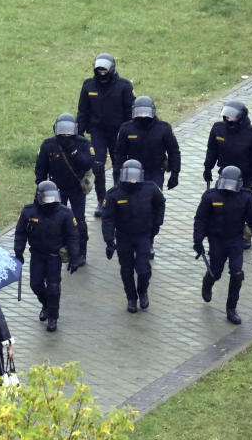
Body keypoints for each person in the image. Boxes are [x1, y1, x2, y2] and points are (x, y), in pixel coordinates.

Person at [193, 165, 252, 325]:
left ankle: (231, 309)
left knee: (237, 273)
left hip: (235, 239)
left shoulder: (246, 197)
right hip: (216, 239)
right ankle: (208, 281)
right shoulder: (210, 196)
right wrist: (198, 240)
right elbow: (200, 219)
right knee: (216, 272)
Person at [115, 95, 180, 259]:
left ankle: (149, 240)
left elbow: (174, 151)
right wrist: (118, 175)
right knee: (131, 207)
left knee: (152, 207)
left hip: (154, 172)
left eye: (146, 114)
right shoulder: (126, 129)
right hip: (132, 174)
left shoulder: (164, 128)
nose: (143, 117)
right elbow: (120, 153)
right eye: (140, 114)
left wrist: (175, 173)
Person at [14, 180, 83, 331]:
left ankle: (53, 316)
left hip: (54, 257)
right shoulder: (28, 212)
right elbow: (20, 233)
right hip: (37, 255)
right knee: (35, 285)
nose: (50, 202)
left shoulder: (65, 213)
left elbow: (73, 236)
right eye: (46, 199)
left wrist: (75, 257)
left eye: (52, 198)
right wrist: (18, 252)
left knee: (53, 287)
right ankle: (46, 304)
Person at [101, 160, 165, 313]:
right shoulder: (113, 194)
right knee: (126, 269)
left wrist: (156, 224)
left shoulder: (150, 189)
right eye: (128, 177)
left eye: (134, 177)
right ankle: (131, 298)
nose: (131, 181)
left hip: (143, 235)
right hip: (124, 236)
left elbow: (160, 203)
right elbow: (107, 218)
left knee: (143, 270)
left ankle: (142, 291)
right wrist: (109, 240)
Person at [203, 100, 252, 249]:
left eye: (232, 117)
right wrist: (207, 168)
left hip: (246, 177)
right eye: (226, 117)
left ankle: (246, 234)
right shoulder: (218, 129)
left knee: (246, 207)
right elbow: (212, 150)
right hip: (225, 175)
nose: (228, 120)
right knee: (221, 204)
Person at [77, 52, 135, 217]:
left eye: (105, 71)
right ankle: (102, 201)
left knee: (119, 165)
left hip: (119, 132)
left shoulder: (124, 86)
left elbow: (130, 112)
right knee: (97, 165)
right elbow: (83, 112)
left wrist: (130, 134)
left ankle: (117, 200)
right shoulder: (88, 86)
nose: (102, 73)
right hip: (98, 132)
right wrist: (78, 136)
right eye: (99, 70)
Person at [34, 113, 93, 263]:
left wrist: (74, 152)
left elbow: (88, 163)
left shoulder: (83, 143)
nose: (65, 134)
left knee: (79, 221)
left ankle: (81, 252)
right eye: (62, 130)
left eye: (68, 130)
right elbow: (41, 168)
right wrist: (41, 186)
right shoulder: (48, 145)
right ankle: (60, 250)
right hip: (57, 190)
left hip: (76, 189)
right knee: (57, 221)